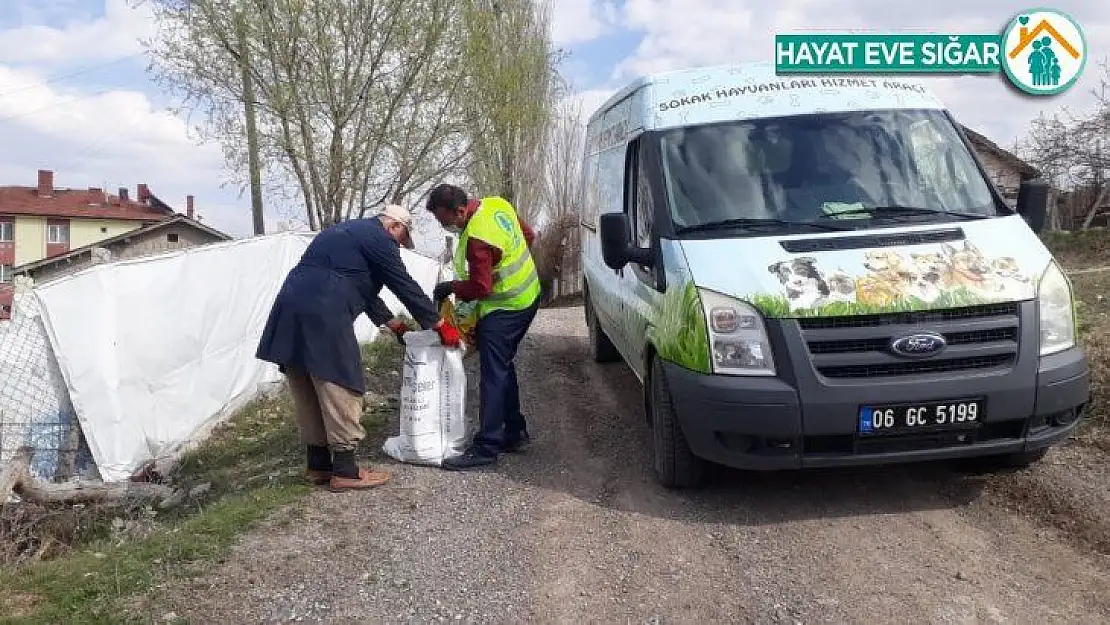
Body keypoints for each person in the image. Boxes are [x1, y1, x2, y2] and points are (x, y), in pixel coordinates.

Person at [256, 204, 461, 491]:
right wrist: (438, 324)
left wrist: (394, 325)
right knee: (339, 381)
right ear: (394, 227)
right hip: (325, 308)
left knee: (305, 381)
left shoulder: (342, 232)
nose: (399, 247)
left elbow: (362, 290)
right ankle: (345, 471)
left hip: (289, 303)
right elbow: (404, 285)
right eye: (401, 241)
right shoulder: (380, 239)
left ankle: (318, 465)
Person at [426, 184, 541, 470]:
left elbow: (481, 286)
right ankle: (513, 432)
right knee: (502, 364)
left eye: (446, 221)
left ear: (461, 211)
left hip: (507, 308)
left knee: (492, 373)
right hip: (529, 295)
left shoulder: (477, 237)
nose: (446, 227)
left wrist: (449, 287)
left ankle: (486, 446)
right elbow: (528, 235)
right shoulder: (496, 204)